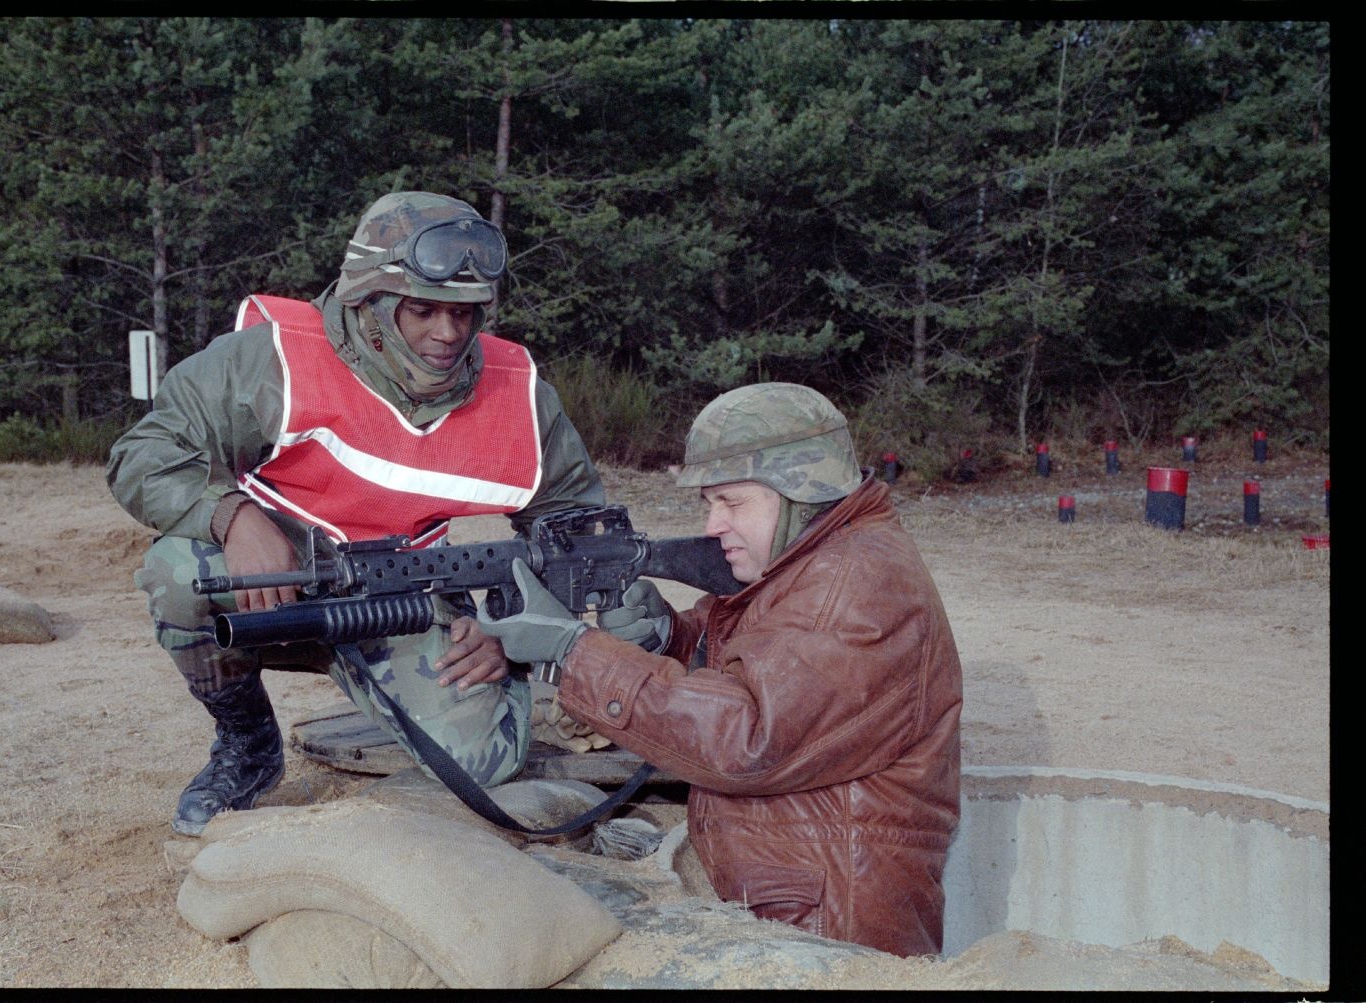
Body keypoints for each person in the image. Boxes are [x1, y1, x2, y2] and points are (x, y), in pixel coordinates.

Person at [107, 191, 605, 837]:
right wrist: (232, 516)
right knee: (179, 573)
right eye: (422, 310)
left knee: (484, 762)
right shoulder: (273, 359)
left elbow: (577, 529)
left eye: (465, 312)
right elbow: (140, 454)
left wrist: (511, 637)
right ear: (368, 301)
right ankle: (247, 742)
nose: (447, 334)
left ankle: (417, 695)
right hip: (275, 588)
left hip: (405, 603)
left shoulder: (520, 395)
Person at [478, 382, 963, 956]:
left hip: (831, 933)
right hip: (797, 892)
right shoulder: (814, 560)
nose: (713, 525)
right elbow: (758, 660)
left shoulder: (853, 588)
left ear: (799, 492)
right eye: (709, 503)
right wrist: (669, 637)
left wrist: (575, 652)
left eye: (732, 501)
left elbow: (746, 737)